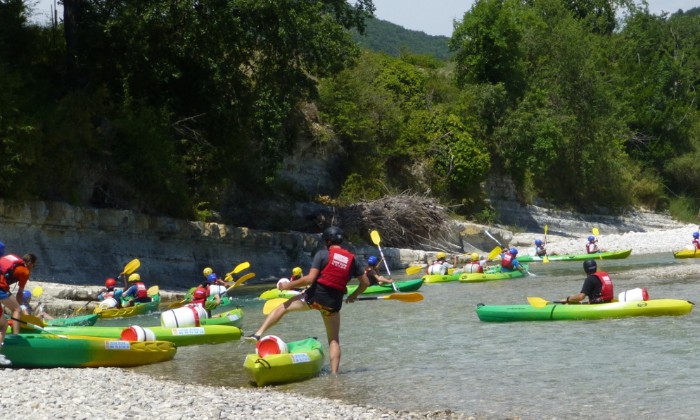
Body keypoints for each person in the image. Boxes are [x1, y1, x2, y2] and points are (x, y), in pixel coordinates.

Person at [244, 226, 369, 375]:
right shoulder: (352, 259)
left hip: (314, 298)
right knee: (334, 340)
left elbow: (309, 279)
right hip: (333, 304)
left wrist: (287, 285)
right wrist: (353, 296)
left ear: (328, 241)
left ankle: (258, 333)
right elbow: (365, 283)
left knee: (282, 308)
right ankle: (335, 376)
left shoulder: (323, 254)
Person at [0, 253, 36, 365]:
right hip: (0, 286)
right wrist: (17, 307)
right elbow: (19, 295)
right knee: (17, 310)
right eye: (33, 266)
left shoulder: (10, 257)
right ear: (30, 263)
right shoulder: (25, 271)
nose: (32, 268)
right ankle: (16, 337)